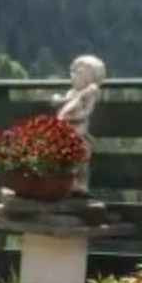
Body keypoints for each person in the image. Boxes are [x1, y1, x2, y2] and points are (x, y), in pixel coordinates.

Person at [52, 54, 106, 193]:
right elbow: (65, 104)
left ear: (91, 78)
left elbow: (87, 112)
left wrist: (73, 117)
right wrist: (59, 100)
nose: (74, 76)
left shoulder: (90, 93)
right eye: (74, 72)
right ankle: (66, 182)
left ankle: (81, 183)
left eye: (80, 73)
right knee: (65, 157)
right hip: (66, 131)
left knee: (81, 158)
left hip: (79, 131)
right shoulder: (72, 92)